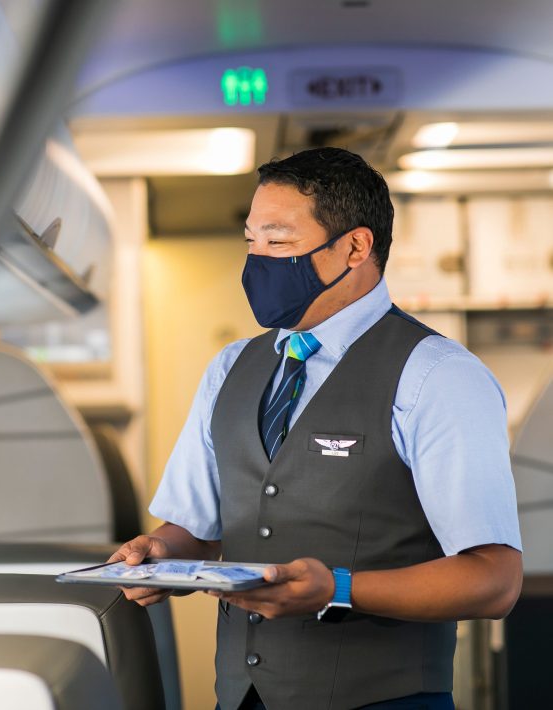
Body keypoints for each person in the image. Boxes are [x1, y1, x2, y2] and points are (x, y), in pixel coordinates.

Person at [109, 147, 522, 710]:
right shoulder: (231, 367)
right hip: (242, 697)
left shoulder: (437, 376)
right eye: (251, 242)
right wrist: (158, 551)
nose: (258, 261)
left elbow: (494, 580)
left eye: (278, 243)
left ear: (355, 247)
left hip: (383, 700)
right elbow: (198, 526)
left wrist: (340, 589)